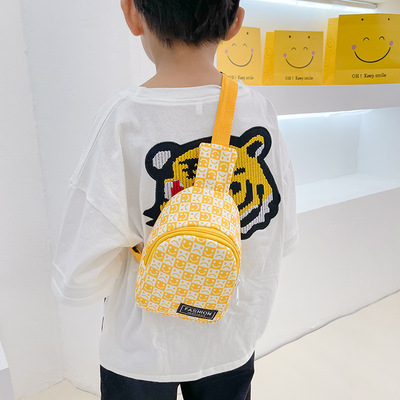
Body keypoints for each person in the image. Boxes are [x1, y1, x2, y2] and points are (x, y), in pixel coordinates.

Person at [52, 0, 299, 399]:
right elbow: (281, 229)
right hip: (231, 334)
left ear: (132, 14)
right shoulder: (258, 110)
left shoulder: (124, 118)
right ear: (235, 23)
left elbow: (83, 265)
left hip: (143, 348)